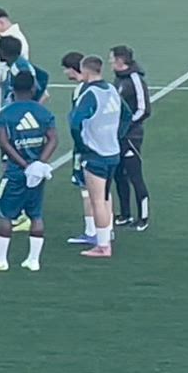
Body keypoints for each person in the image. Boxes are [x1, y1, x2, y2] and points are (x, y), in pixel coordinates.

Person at [0, 70, 57, 272]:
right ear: (33, 88)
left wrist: (24, 165)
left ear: (12, 88)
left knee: (5, 214)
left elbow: (4, 143)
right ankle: (33, 260)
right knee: (36, 214)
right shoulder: (43, 112)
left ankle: (0, 259)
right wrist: (39, 163)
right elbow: (53, 139)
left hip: (15, 172)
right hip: (37, 174)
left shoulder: (6, 113)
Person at [69, 54, 124, 258]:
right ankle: (106, 234)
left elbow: (75, 122)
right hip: (112, 151)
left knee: (97, 201)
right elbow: (126, 115)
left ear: (85, 70)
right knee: (106, 197)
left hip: (96, 154)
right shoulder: (111, 89)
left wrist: (81, 145)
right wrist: (116, 135)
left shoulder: (89, 93)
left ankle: (103, 245)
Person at [110, 45, 152, 231]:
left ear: (120, 60)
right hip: (117, 135)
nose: (110, 62)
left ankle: (143, 217)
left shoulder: (135, 79)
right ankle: (125, 214)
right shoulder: (119, 79)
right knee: (119, 175)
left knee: (135, 176)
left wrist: (126, 126)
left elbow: (144, 109)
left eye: (112, 58)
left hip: (131, 137)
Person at [60, 52, 98, 246]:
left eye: (66, 69)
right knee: (102, 189)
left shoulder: (82, 90)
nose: (64, 72)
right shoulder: (100, 87)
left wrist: (81, 145)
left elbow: (77, 121)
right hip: (103, 145)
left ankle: (92, 231)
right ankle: (105, 229)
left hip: (86, 146)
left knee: (87, 189)